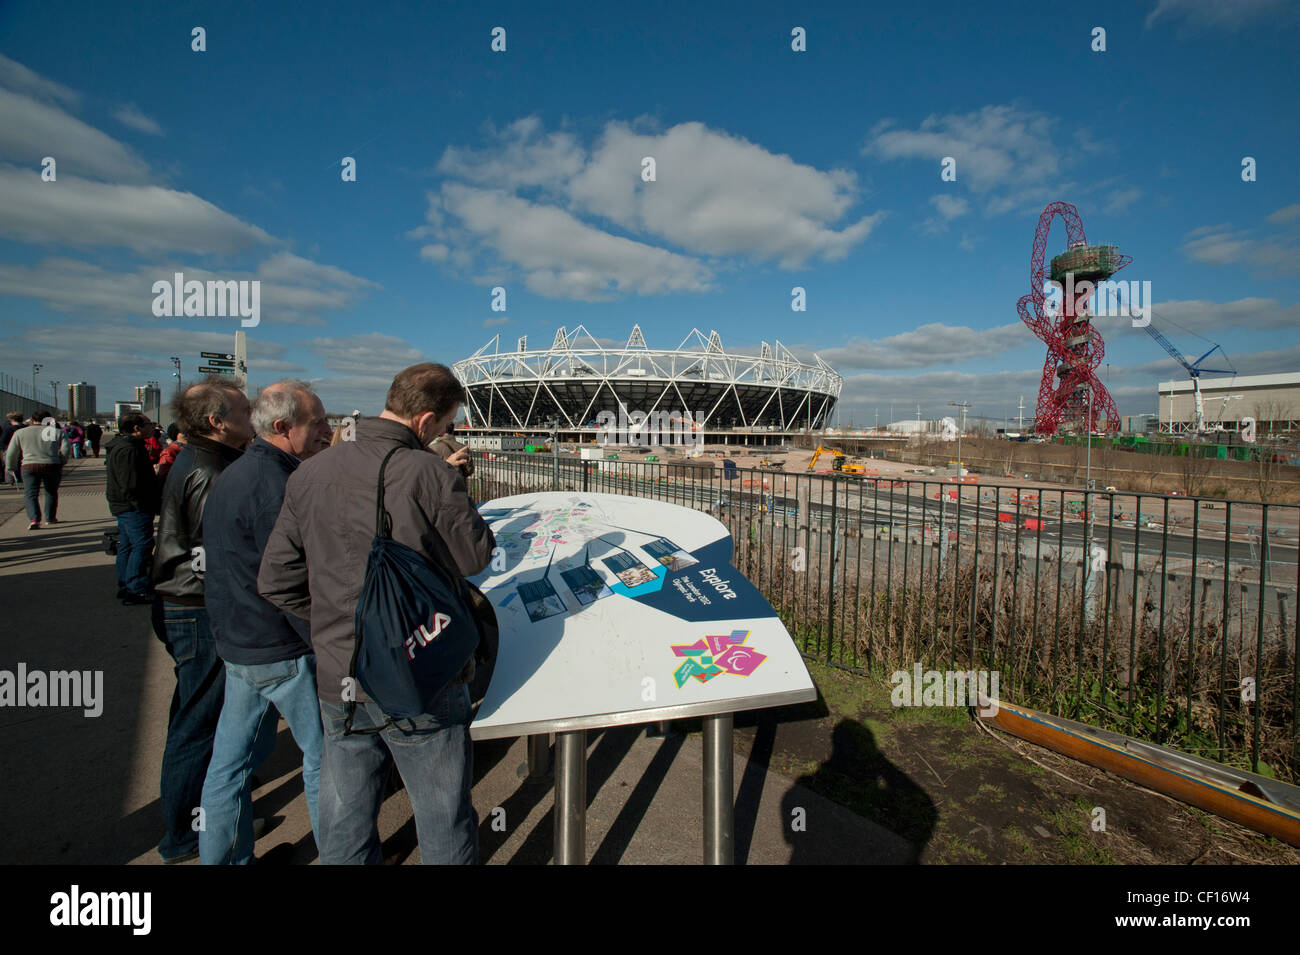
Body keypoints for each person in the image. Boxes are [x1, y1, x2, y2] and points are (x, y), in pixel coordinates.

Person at [259, 363, 494, 865]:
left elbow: (275, 579)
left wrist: (336, 625)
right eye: (447, 423)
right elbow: (475, 557)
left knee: (344, 817)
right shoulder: (431, 472)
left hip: (339, 675)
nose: (446, 433)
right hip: (421, 671)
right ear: (427, 420)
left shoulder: (311, 471)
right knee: (442, 815)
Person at [198, 380, 332, 865]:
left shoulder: (231, 474)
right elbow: (297, 579)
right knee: (325, 762)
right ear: (282, 427)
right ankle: (342, 855)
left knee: (227, 769)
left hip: (240, 644)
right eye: (316, 421)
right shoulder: (280, 487)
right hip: (283, 647)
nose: (328, 429)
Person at [150, 377, 254, 864]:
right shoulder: (212, 471)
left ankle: (194, 823)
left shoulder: (198, 458)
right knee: (200, 724)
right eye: (241, 408)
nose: (250, 412)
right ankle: (186, 834)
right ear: (217, 422)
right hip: (198, 609)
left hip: (183, 604)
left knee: (192, 717)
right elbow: (223, 552)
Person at [105, 412, 161, 603]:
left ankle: (126, 583)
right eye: (148, 424)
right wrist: (142, 504)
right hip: (133, 507)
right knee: (142, 544)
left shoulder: (124, 446)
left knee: (127, 545)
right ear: (136, 428)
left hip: (126, 505)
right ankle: (136, 587)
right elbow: (130, 484)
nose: (152, 427)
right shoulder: (129, 449)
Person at [5, 410, 70, 530]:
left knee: (31, 494)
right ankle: (50, 518)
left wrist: (10, 467)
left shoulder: (20, 432)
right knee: (51, 492)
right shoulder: (57, 432)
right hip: (52, 465)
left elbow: (11, 453)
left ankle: (34, 519)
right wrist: (61, 461)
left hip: (29, 465)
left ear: (32, 420)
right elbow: (66, 450)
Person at [1, 411, 26, 486]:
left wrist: (4, 449)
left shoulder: (8, 428)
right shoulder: (25, 428)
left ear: (11, 420)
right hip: (23, 449)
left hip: (9, 448)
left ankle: (10, 481)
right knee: (22, 464)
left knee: (9, 465)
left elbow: (3, 440)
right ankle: (21, 479)